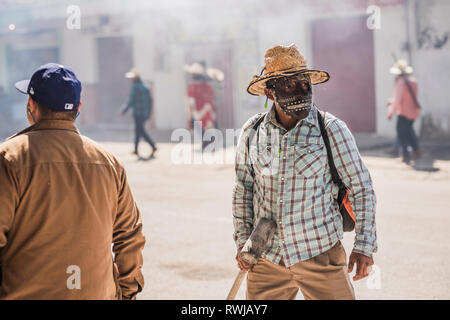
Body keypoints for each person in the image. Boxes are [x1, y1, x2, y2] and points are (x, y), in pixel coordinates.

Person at [232, 44, 377, 300]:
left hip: (321, 254)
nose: (300, 92)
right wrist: (243, 241)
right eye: (289, 86)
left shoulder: (331, 129)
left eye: (305, 85)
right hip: (266, 259)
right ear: (270, 92)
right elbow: (243, 189)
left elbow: (361, 186)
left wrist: (364, 245)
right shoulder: (252, 132)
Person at [0, 63, 145, 299]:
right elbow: (129, 235)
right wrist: (127, 292)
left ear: (31, 106)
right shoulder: (109, 163)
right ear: (78, 109)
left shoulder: (9, 159)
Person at [388, 59, 420, 164]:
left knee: (402, 135)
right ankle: (416, 151)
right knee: (409, 133)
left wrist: (390, 113)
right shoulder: (413, 82)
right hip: (413, 113)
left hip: (403, 113)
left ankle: (406, 156)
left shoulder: (400, 83)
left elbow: (397, 100)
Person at [122, 68, 157, 158]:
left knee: (140, 131)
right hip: (144, 114)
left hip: (138, 113)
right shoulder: (145, 87)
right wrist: (149, 114)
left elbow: (131, 101)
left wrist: (124, 110)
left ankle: (153, 146)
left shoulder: (135, 87)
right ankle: (136, 149)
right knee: (138, 131)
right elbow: (150, 101)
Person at [185, 62, 217, 150]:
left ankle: (208, 141)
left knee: (197, 126)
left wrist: (190, 112)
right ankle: (209, 141)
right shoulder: (207, 85)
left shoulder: (192, 86)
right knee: (206, 126)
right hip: (207, 108)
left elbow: (191, 101)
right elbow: (211, 96)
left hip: (197, 110)